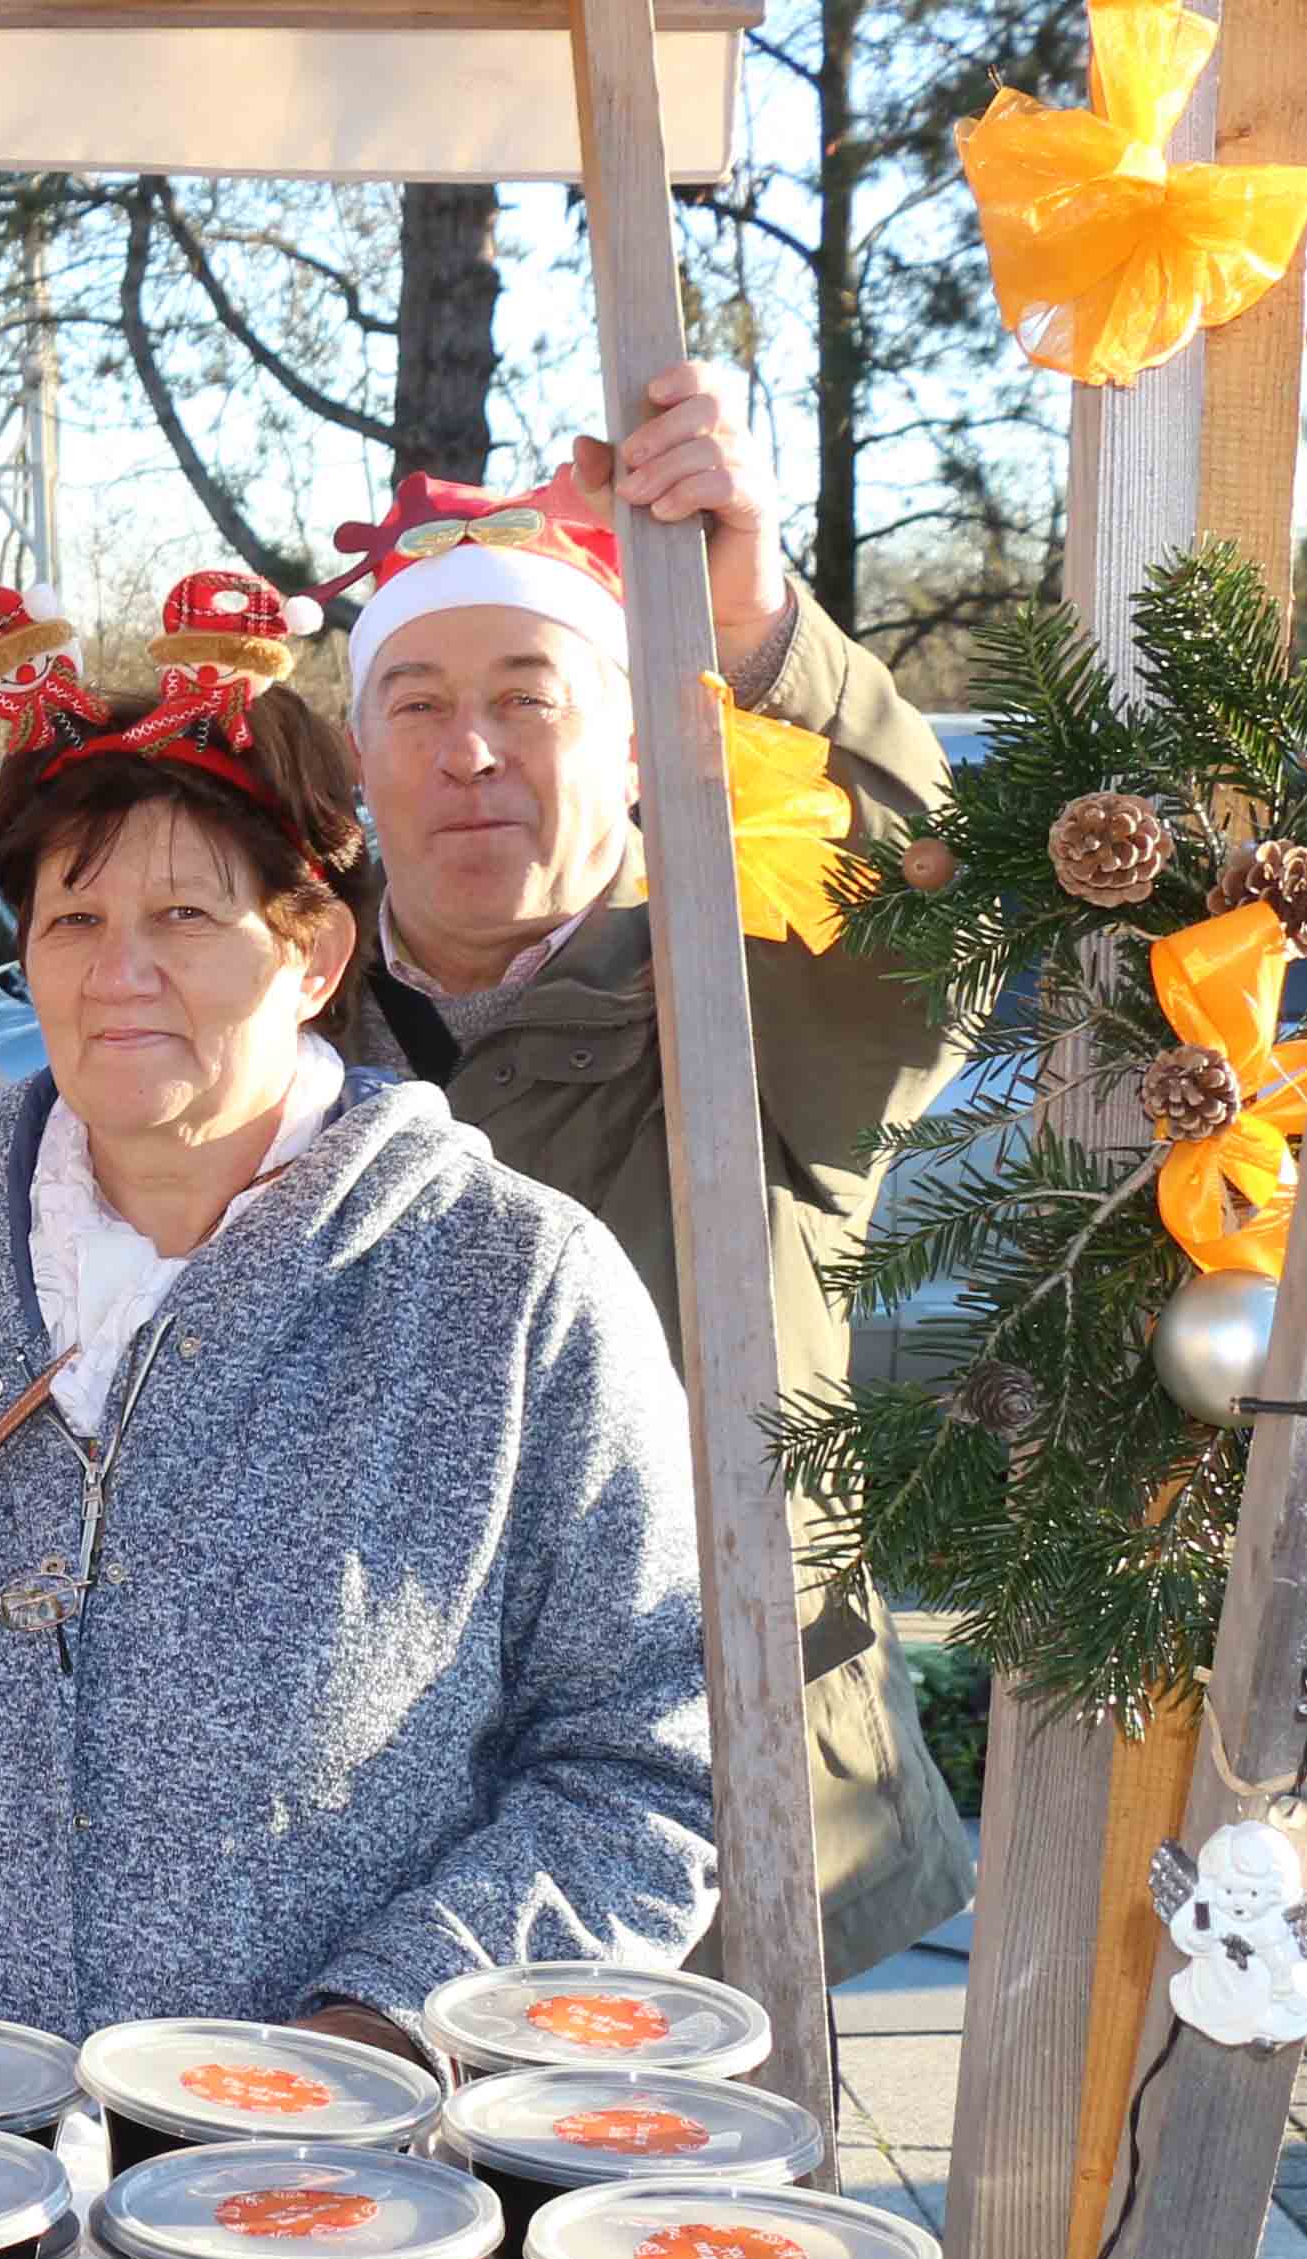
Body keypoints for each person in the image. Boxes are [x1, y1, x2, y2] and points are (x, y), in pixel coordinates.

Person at [0, 570, 716, 2045]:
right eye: (72, 920)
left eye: (182, 916)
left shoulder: (509, 1288)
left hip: (333, 2198)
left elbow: (648, 1756)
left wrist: (383, 2035)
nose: (117, 977)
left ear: (311, 953)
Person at [323, 363, 973, 1980]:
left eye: (528, 694)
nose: (469, 749)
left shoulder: (748, 998)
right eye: (414, 702)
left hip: (727, 1856)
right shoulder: (283, 1044)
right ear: (357, 762)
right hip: (361, 1856)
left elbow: (932, 921)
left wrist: (755, 628)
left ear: (623, 745)